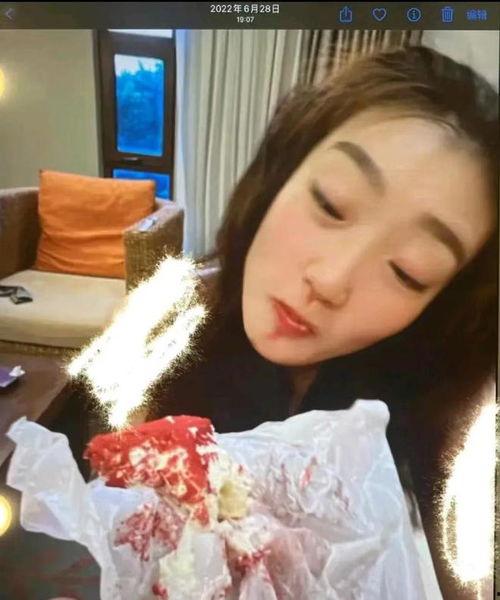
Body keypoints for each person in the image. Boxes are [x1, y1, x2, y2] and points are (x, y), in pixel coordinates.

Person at [150, 46, 498, 599]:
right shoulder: (170, 329)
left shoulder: (446, 429)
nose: (331, 279)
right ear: (280, 173)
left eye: (410, 271)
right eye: (331, 204)